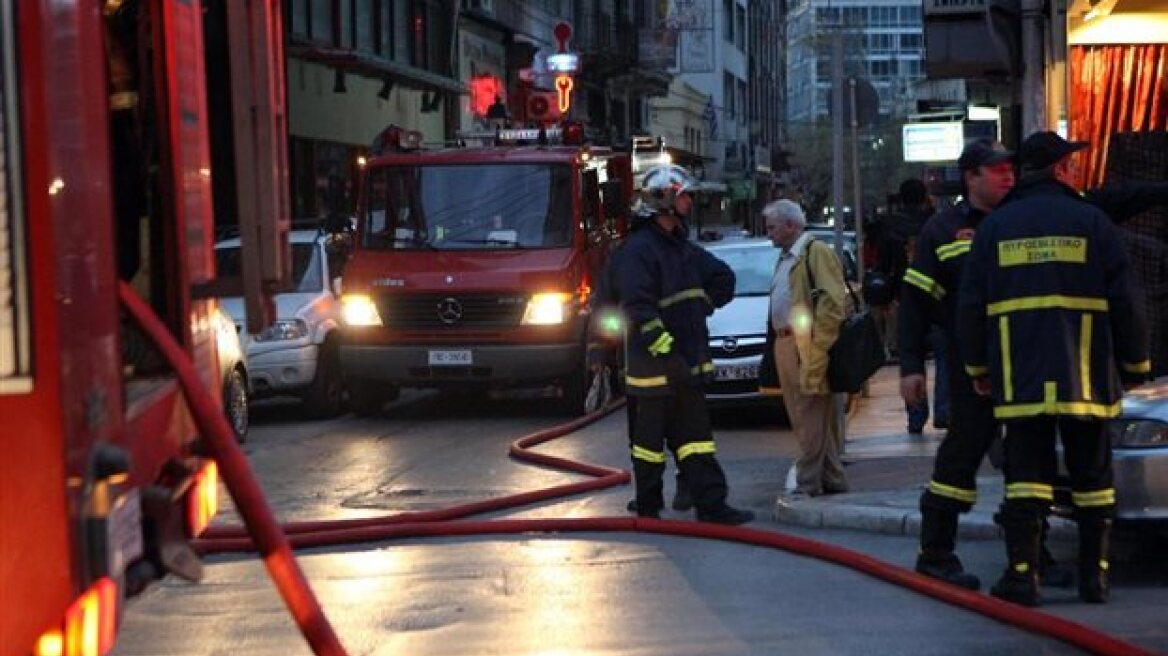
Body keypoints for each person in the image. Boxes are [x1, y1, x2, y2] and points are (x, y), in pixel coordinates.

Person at [957, 131, 1151, 606]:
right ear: (1060, 171)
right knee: (1092, 478)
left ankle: (1023, 577)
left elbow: (971, 306)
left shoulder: (996, 228)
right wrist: (1135, 365)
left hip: (1018, 374)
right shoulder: (1092, 222)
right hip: (1085, 372)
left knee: (1026, 476)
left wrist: (979, 368)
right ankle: (1094, 578)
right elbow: (1127, 301)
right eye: (1071, 164)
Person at [898, 139, 1019, 589]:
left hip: (1023, 363)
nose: (1008, 175)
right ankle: (936, 552)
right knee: (960, 459)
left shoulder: (1021, 219)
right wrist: (911, 366)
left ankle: (1030, 553)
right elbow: (914, 303)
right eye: (997, 170)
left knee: (1025, 464)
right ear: (971, 177)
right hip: (972, 369)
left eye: (1011, 168)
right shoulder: (942, 230)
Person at [613, 170, 754, 524]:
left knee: (697, 440)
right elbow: (638, 309)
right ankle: (648, 506)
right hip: (653, 372)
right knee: (648, 446)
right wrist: (666, 352)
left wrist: (702, 304)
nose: (690, 203)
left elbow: (724, 278)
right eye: (684, 196)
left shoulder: (684, 250)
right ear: (664, 200)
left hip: (686, 366)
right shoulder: (638, 251)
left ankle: (711, 504)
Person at [761, 199, 849, 498]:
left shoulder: (815, 253)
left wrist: (818, 349)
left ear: (790, 225)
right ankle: (832, 477)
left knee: (810, 415)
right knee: (805, 415)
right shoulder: (788, 258)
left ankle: (808, 481)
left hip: (806, 344)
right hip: (787, 343)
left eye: (772, 227)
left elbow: (831, 303)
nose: (769, 234)